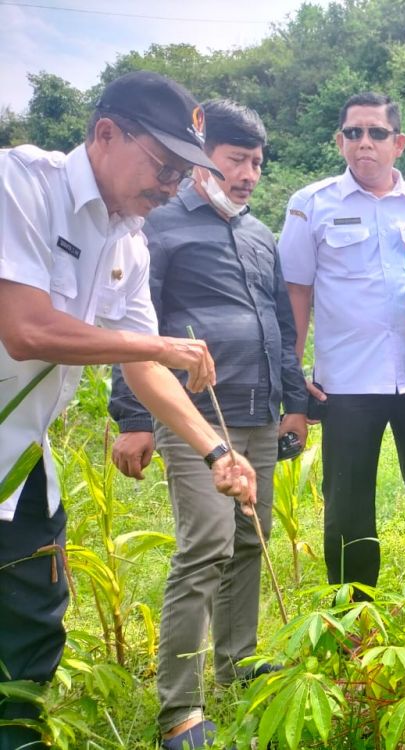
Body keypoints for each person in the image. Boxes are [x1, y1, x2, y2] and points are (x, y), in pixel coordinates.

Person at [0, 71, 256, 750]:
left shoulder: (128, 240)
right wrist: (157, 341)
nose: (172, 185)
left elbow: (144, 367)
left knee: (31, 628)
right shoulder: (22, 186)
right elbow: (26, 328)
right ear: (107, 134)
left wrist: (215, 450)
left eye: (182, 171)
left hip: (20, 462)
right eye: (163, 165)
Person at [107, 99, 307, 749]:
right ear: (203, 158)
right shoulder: (159, 225)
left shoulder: (257, 232)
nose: (249, 173)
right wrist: (134, 417)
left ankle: (239, 661)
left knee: (252, 535)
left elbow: (280, 325)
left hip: (257, 410)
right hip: (192, 415)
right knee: (206, 546)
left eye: (256, 161)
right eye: (235, 159)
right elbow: (132, 326)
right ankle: (180, 707)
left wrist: (294, 400)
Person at [277, 92, 405, 613]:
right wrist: (293, 379)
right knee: (348, 497)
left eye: (376, 133)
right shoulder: (310, 205)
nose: (364, 143)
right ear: (340, 140)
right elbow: (296, 294)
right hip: (347, 381)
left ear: (397, 143)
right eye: (353, 132)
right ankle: (353, 602)